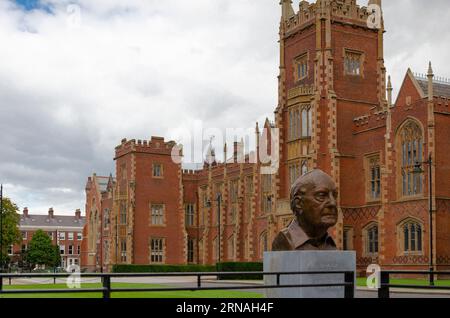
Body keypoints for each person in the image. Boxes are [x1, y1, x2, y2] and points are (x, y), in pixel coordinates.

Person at [272, 169, 338, 251]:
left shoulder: (330, 245)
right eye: (321, 196)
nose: (333, 203)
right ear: (298, 203)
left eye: (334, 196)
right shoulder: (285, 241)